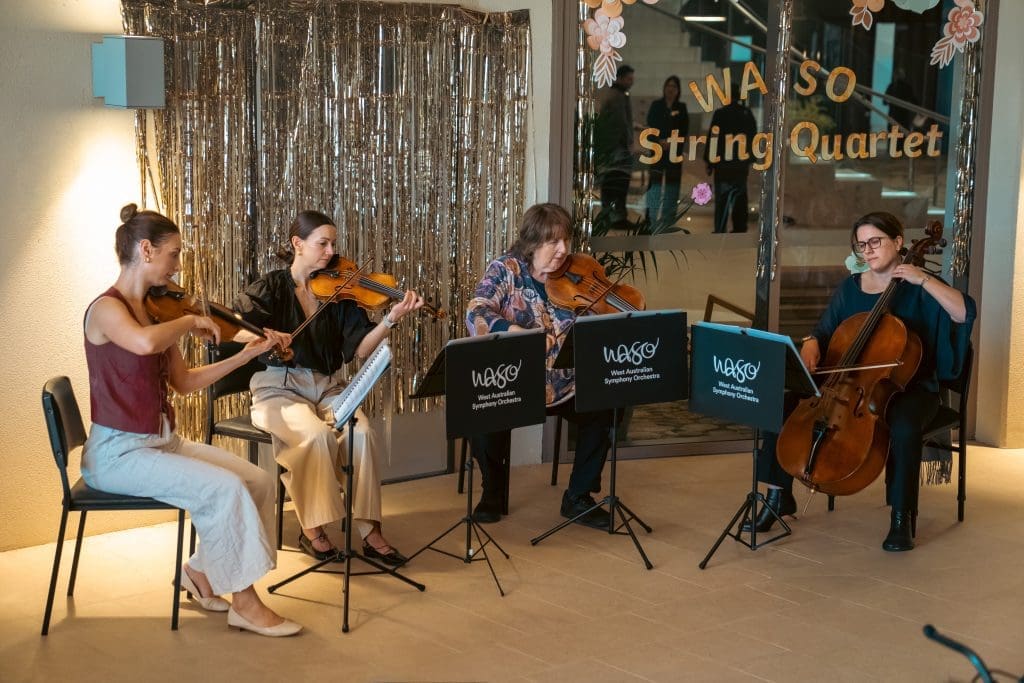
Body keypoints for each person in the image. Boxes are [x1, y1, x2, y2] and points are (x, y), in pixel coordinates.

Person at [81, 204, 301, 637]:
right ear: (146, 250)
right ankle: (245, 601)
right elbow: (143, 345)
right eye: (174, 254)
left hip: (160, 442)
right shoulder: (107, 310)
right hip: (118, 452)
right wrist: (188, 320)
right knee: (224, 490)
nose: (178, 266)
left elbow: (183, 382)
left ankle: (200, 573)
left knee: (256, 481)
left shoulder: (156, 312)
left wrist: (245, 353)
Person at [744, 211, 975, 551]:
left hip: (907, 387)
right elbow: (822, 331)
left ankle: (902, 517)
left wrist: (921, 278)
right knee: (781, 405)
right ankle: (777, 499)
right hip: (849, 385)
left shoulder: (919, 286)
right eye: (861, 244)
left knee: (906, 424)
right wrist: (811, 344)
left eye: (875, 242)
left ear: (898, 242)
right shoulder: (851, 288)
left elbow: (964, 313)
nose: (867, 250)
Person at [234, 210, 424, 567]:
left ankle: (370, 531)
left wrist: (391, 318)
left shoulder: (339, 293)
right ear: (297, 244)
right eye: (323, 243)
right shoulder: (272, 287)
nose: (331, 251)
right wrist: (264, 337)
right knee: (315, 437)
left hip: (326, 386)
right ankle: (314, 530)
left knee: (362, 433)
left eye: (333, 243)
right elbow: (234, 328)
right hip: (278, 386)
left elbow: (359, 349)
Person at [466, 203, 613, 527]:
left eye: (566, 241)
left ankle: (578, 496)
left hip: (565, 383)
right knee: (482, 411)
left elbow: (599, 315)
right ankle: (491, 492)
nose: (563, 250)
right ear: (532, 243)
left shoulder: (578, 272)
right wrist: (511, 330)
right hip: (516, 382)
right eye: (553, 242)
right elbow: (476, 310)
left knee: (606, 405)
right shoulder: (506, 270)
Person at [704, 83, 757, 233]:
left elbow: (713, 138)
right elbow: (752, 138)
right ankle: (740, 227)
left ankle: (720, 228)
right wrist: (750, 159)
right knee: (740, 197)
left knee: (722, 199)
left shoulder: (720, 114)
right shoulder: (746, 114)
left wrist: (710, 162)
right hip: (740, 164)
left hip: (722, 164)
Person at [595, 64, 636, 228]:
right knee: (618, 183)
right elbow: (621, 124)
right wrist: (628, 143)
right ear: (620, 78)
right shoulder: (618, 96)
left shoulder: (615, 94)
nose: (631, 82)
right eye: (629, 79)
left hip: (610, 149)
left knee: (611, 184)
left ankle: (609, 215)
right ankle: (616, 217)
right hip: (616, 150)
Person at [645, 75, 689, 230]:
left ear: (678, 90)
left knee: (672, 187)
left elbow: (684, 130)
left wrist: (672, 142)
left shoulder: (681, 107)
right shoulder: (657, 105)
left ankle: (668, 220)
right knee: (655, 186)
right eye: (668, 86)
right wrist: (659, 141)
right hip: (657, 151)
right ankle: (650, 219)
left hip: (674, 152)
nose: (670, 89)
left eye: (674, 87)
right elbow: (650, 125)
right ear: (664, 88)